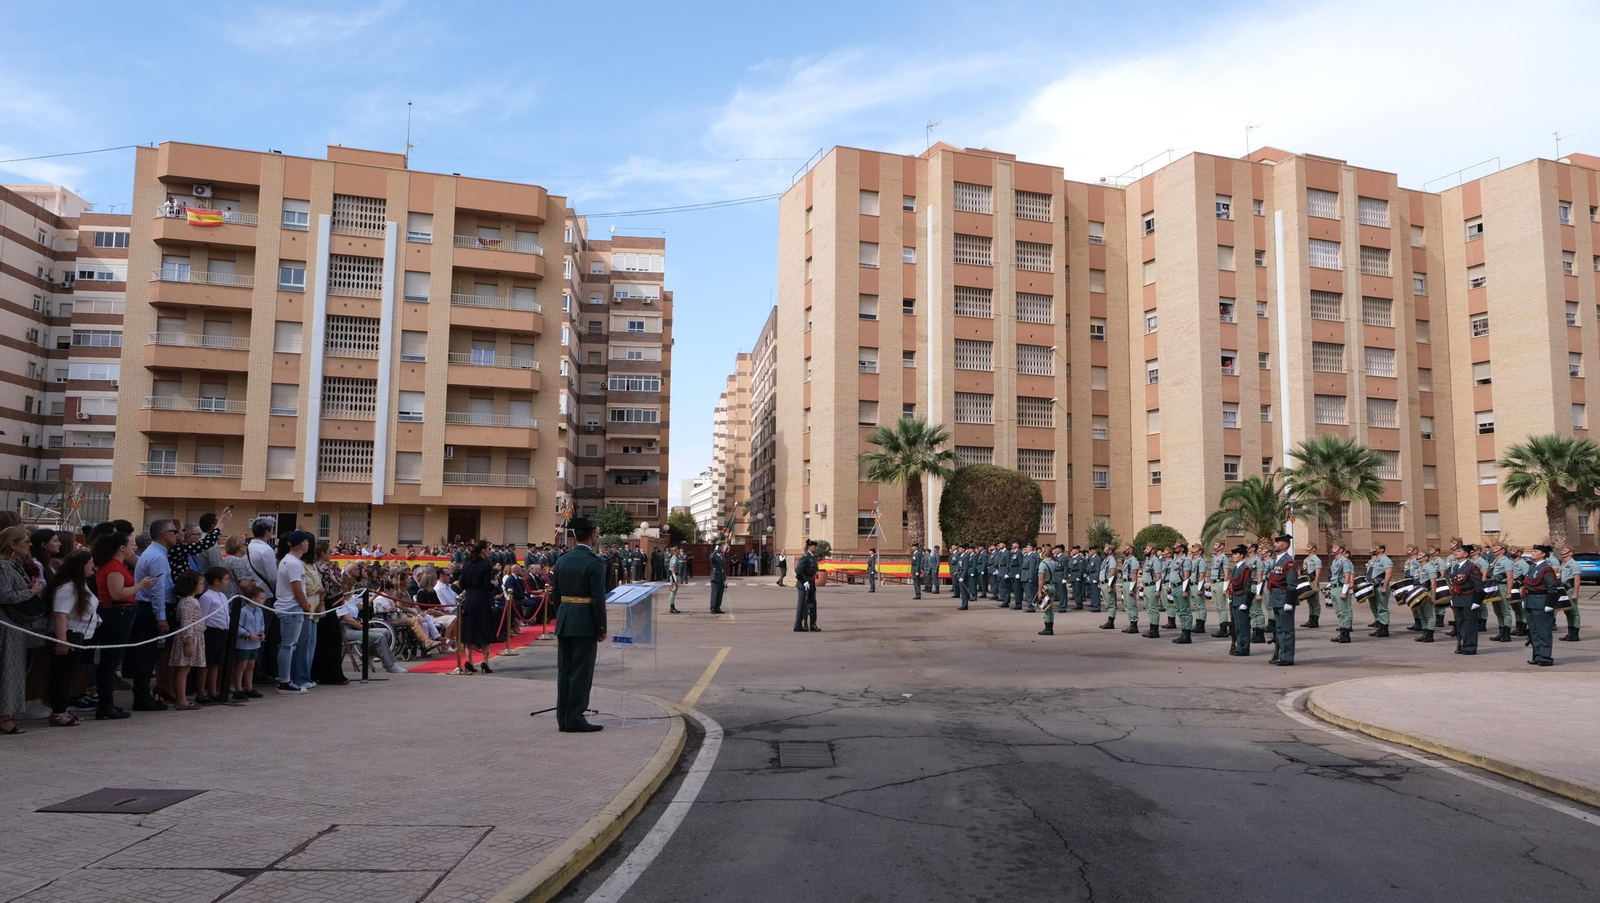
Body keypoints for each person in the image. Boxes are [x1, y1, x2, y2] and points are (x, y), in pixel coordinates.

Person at [552, 517, 606, 732]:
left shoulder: (562, 560)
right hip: (584, 621)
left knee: (565, 670)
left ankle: (563, 718)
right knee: (581, 672)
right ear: (592, 535)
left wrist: (561, 616)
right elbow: (598, 598)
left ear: (575, 536)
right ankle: (575, 718)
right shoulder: (595, 562)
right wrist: (601, 628)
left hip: (565, 619)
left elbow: (556, 593)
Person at [44, 548, 96, 727]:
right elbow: (60, 615)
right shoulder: (68, 588)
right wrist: (62, 641)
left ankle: (63, 710)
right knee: (61, 676)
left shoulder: (80, 585)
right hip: (69, 635)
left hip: (79, 634)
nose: (92, 567)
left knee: (68, 675)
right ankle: (58, 713)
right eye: (90, 563)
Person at [274, 530, 316, 693]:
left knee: (289, 645)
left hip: (288, 607)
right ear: (301, 544)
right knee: (288, 645)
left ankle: (286, 679)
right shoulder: (294, 564)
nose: (308, 544)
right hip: (291, 608)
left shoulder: (288, 560)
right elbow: (297, 591)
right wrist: (307, 608)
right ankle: (284, 681)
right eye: (306, 541)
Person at [339, 586, 405, 674]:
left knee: (386, 632)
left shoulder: (350, 599)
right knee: (379, 637)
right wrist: (365, 629)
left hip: (355, 627)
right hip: (346, 630)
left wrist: (374, 595)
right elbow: (350, 621)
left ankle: (367, 656)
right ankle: (389, 665)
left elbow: (362, 606)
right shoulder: (340, 602)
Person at [457, 540, 500, 673]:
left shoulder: (467, 565)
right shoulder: (486, 565)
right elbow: (487, 586)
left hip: (470, 599)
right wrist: (495, 584)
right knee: (485, 628)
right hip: (482, 599)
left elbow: (462, 584)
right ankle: (485, 661)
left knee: (469, 629)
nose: (489, 551)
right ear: (483, 550)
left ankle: (469, 660)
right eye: (488, 549)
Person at [165, 571, 206, 709]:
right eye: (200, 583)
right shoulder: (187, 602)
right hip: (189, 637)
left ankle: (181, 698)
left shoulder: (192, 600)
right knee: (183, 668)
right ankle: (181, 700)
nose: (203, 586)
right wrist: (188, 641)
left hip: (194, 636)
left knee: (185, 668)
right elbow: (186, 623)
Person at [197, 567, 232, 704]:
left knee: (216, 663)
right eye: (226, 579)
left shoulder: (223, 595)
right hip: (211, 632)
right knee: (206, 663)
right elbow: (203, 617)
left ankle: (212, 691)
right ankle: (201, 693)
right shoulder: (207, 597)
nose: (228, 582)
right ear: (217, 581)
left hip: (222, 632)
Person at [1523, 545, 1563, 666]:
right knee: (1534, 631)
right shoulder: (1532, 567)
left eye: (1535, 551)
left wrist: (1550, 604)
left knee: (1543, 632)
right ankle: (1537, 656)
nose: (1532, 553)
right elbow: (1527, 584)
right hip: (1530, 601)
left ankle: (1545, 657)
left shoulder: (1547, 569)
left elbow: (1552, 587)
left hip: (1541, 602)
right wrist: (1525, 599)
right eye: (1533, 551)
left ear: (1543, 554)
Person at [1444, 544, 1486, 654]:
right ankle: (1464, 645)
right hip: (1458, 598)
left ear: (1466, 554)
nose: (1455, 552)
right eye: (1456, 551)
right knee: (1461, 624)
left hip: (1469, 599)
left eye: (1459, 551)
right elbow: (1454, 584)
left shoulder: (1472, 567)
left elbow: (1479, 586)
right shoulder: (1456, 567)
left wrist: (1477, 601)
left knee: (1470, 624)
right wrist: (1453, 598)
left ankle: (1470, 647)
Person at [1265, 534, 1299, 665]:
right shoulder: (1277, 560)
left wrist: (1289, 602)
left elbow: (1291, 584)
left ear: (1285, 545)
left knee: (1287, 630)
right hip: (1276, 598)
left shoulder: (1288, 561)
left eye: (1278, 542)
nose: (1275, 544)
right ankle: (1281, 655)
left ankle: (1287, 658)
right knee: (1279, 629)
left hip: (1284, 599)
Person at [233, 583, 267, 699]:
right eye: (261, 598)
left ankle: (249, 688)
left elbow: (262, 623)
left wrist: (262, 633)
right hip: (244, 643)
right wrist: (248, 635)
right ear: (253, 599)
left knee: (251, 666)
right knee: (242, 666)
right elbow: (237, 626)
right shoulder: (243, 611)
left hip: (255, 643)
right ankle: (238, 689)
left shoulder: (260, 611)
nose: (264, 600)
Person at [1227, 545, 1254, 656]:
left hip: (1242, 599)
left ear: (1241, 555)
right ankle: (1239, 645)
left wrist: (1245, 602)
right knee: (1237, 625)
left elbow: (1247, 585)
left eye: (1236, 554)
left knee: (1243, 625)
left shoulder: (1245, 568)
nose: (1233, 556)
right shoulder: (1236, 568)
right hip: (1235, 599)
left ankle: (1244, 648)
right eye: (1233, 554)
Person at [1328, 546, 1356, 643]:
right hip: (1335, 587)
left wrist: (1344, 591)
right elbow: (1334, 576)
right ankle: (1342, 632)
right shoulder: (1334, 561)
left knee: (1344, 612)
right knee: (1339, 612)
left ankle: (1346, 635)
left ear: (1341, 550)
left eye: (1335, 547)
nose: (1333, 549)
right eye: (1333, 547)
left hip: (1341, 588)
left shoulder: (1345, 562)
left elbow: (1347, 577)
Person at [1366, 544, 1394, 637]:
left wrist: (1384, 587)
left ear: (1382, 549)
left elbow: (1388, 574)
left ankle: (1384, 628)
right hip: (1372, 587)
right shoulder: (1373, 560)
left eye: (1375, 548)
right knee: (1374, 607)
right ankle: (1379, 625)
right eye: (1373, 547)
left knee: (1382, 608)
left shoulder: (1385, 560)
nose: (1373, 549)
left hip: (1380, 586)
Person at [793, 539, 819, 632]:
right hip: (804, 584)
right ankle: (798, 625)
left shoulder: (812, 557)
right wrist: (804, 582)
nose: (816, 548)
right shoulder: (806, 557)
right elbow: (798, 571)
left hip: (811, 583)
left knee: (813, 604)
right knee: (802, 605)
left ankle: (813, 625)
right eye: (814, 546)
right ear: (809, 547)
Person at [1558, 546, 1583, 642]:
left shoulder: (1574, 564)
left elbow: (1577, 579)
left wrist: (1575, 593)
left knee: (1574, 612)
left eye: (1565, 550)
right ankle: (1570, 632)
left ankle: (1575, 634)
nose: (1562, 552)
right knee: (1567, 611)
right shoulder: (1563, 563)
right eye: (1562, 550)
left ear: (1571, 553)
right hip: (1563, 589)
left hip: (1570, 589)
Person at [1037, 546, 1061, 636]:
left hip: (1045, 587)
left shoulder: (1043, 564)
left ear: (1045, 553)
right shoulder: (1054, 562)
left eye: (1042, 551)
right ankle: (1050, 628)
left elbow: (1041, 579)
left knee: (1045, 608)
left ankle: (1047, 628)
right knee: (1050, 608)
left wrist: (1039, 591)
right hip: (1052, 585)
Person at [1300, 543, 1323, 629]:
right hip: (1307, 581)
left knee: (1315, 601)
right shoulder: (1306, 559)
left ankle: (1315, 620)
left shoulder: (1316, 560)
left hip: (1313, 581)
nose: (1307, 548)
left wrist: (1316, 583)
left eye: (1309, 547)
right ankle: (1310, 619)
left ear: (1314, 549)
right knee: (1310, 602)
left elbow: (1318, 573)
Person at [709, 544, 727, 614]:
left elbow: (723, 568)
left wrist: (724, 579)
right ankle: (713, 608)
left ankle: (717, 607)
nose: (723, 549)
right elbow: (712, 558)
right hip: (715, 576)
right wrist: (715, 550)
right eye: (721, 547)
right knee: (715, 593)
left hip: (721, 576)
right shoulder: (714, 555)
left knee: (720, 593)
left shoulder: (722, 556)